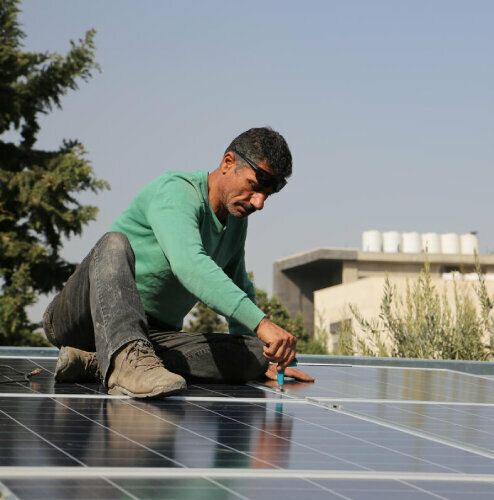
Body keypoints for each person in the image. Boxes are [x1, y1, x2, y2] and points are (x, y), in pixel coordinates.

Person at [42, 127, 314, 398]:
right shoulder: (176, 191)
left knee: (252, 353)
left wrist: (264, 359)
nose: (259, 202)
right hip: (84, 317)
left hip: (151, 336)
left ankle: (98, 363)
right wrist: (262, 324)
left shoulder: (235, 223)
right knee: (113, 243)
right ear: (227, 163)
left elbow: (238, 284)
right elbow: (189, 264)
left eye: (268, 194)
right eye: (255, 187)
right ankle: (123, 361)